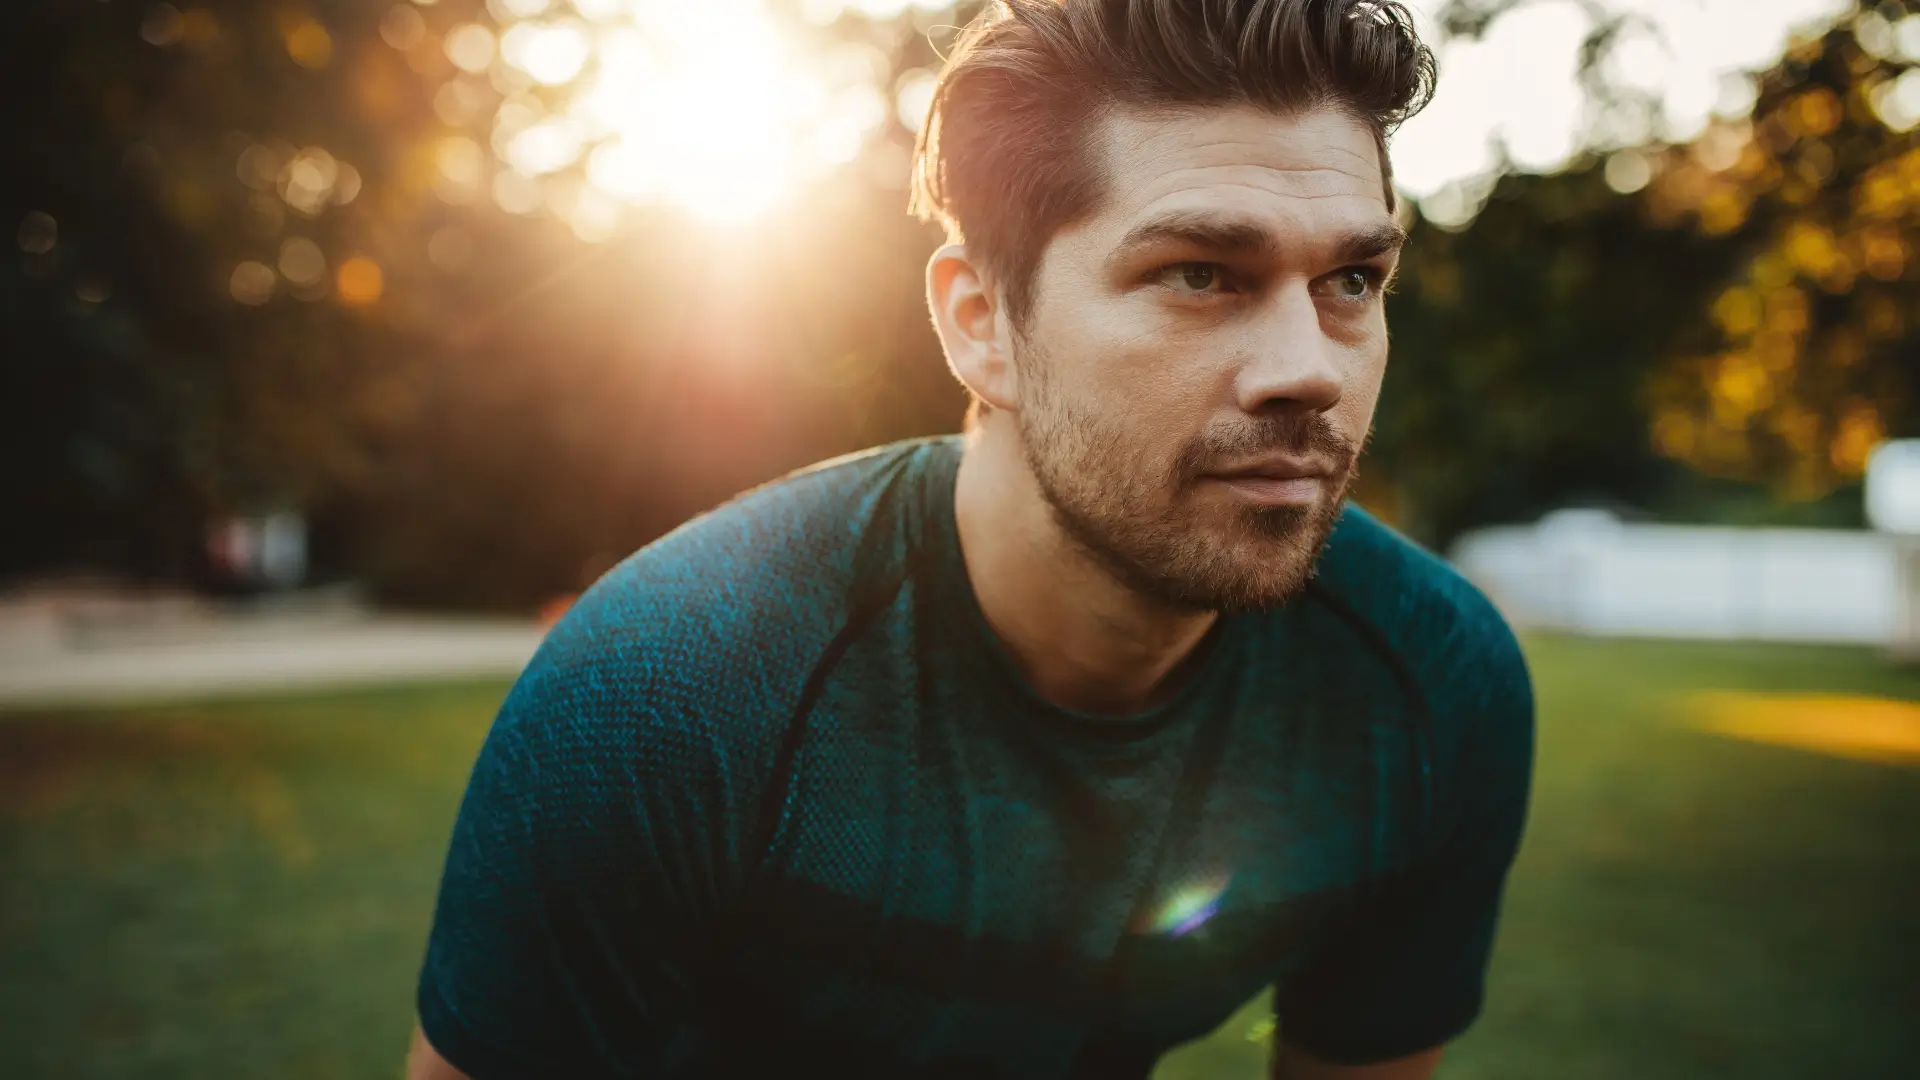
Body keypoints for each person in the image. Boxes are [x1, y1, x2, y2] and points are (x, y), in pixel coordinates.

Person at [408, 1, 1534, 1077]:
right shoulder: (669, 696)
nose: (1310, 367)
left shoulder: (1429, 691)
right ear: (980, 321)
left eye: (1351, 278)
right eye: (1198, 273)